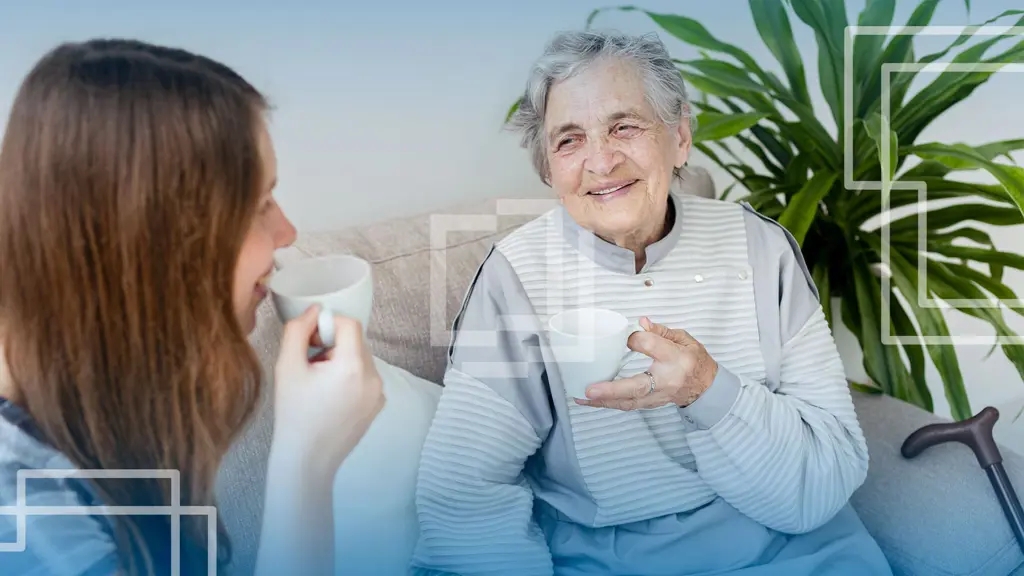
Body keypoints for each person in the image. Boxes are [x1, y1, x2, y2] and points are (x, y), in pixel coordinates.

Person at [410, 30, 893, 576]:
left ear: (680, 137)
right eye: (569, 140)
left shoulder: (761, 247)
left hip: (793, 547)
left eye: (625, 126)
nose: (600, 160)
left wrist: (707, 390)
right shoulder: (514, 277)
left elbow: (830, 465)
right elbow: (464, 491)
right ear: (548, 168)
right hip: (611, 560)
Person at [0, 39, 385, 576]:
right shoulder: (28, 523)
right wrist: (306, 464)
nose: (287, 232)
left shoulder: (113, 409)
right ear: (150, 243)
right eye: (258, 206)